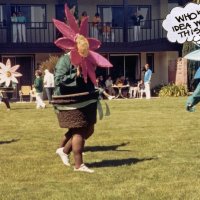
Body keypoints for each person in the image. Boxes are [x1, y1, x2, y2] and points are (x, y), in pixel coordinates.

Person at [53, 4, 112, 173]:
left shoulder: (85, 59)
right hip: (69, 101)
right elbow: (59, 81)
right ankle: (79, 165)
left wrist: (96, 90)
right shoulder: (65, 61)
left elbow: (87, 78)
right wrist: (75, 75)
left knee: (89, 128)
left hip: (83, 99)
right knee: (79, 129)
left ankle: (64, 151)